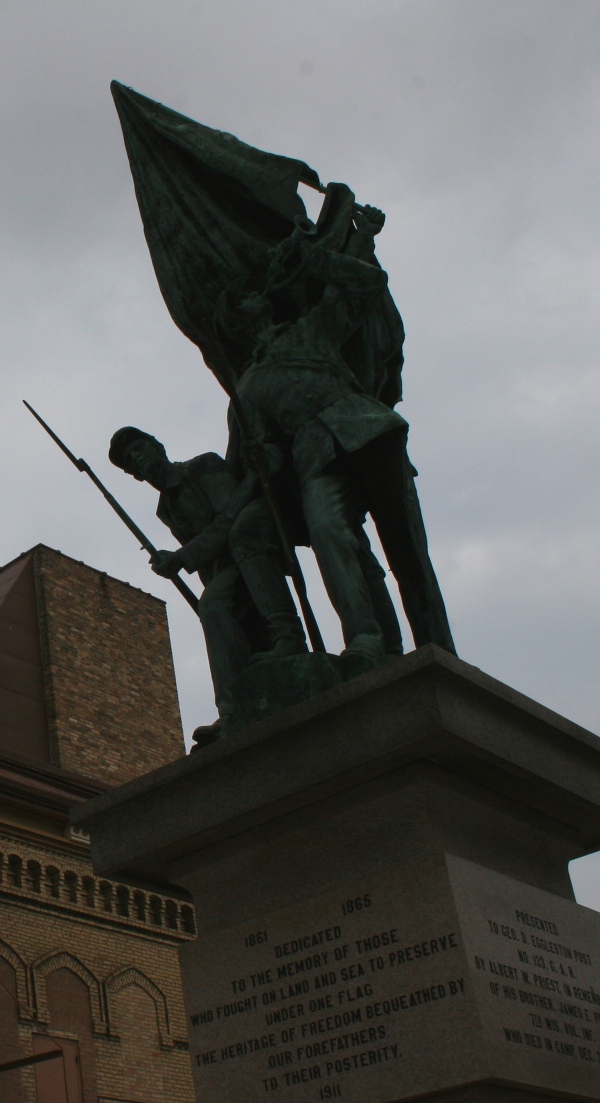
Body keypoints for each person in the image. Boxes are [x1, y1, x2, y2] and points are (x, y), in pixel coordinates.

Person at [220, 224, 449, 660]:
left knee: (407, 551)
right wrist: (264, 456)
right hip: (316, 459)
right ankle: (365, 636)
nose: (256, 295)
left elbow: (368, 283)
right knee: (327, 532)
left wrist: (312, 258)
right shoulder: (246, 388)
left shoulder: (309, 330)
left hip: (368, 431)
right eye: (244, 297)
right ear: (237, 321)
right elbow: (269, 447)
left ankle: (440, 650)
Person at [108, 427, 268, 741]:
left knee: (214, 606)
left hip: (249, 557)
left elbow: (231, 518)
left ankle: (231, 710)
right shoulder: (164, 509)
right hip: (220, 573)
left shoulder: (203, 466)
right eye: (130, 460)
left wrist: (182, 557)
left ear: (157, 445)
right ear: (134, 475)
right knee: (247, 639)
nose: (137, 459)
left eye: (139, 448)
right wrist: (171, 562)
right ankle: (249, 703)